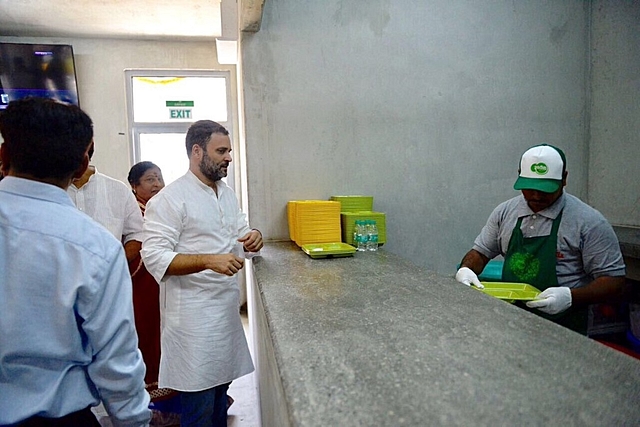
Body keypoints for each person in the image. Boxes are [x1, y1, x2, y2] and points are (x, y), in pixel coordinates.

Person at [0, 97, 150, 425]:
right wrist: (135, 420)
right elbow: (116, 361)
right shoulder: (94, 247)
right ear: (82, 164)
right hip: (56, 415)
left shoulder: (100, 237)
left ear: (3, 155)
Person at [141, 120, 262, 427]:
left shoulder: (226, 194)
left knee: (220, 405)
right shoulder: (169, 200)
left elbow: (240, 236)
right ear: (197, 152)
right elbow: (155, 256)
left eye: (229, 151)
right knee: (199, 412)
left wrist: (253, 237)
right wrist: (208, 261)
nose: (229, 158)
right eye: (221, 151)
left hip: (224, 318)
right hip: (192, 327)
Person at [455, 143, 626, 335]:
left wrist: (571, 297)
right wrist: (466, 269)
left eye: (546, 188)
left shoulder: (589, 222)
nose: (536, 195)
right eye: (529, 188)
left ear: (564, 179)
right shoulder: (505, 213)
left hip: (565, 327)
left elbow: (614, 282)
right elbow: (480, 252)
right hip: (511, 322)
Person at [127, 161, 181, 424]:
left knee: (169, 336)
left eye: (159, 178)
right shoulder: (134, 214)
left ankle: (175, 401)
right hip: (141, 287)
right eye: (149, 179)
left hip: (168, 284)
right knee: (147, 337)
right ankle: (151, 404)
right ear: (134, 186)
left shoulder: (165, 210)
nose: (157, 184)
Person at [67, 144, 144, 263]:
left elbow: (137, 233)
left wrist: (116, 263)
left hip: (108, 275)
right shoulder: (48, 192)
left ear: (86, 158)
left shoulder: (118, 190)